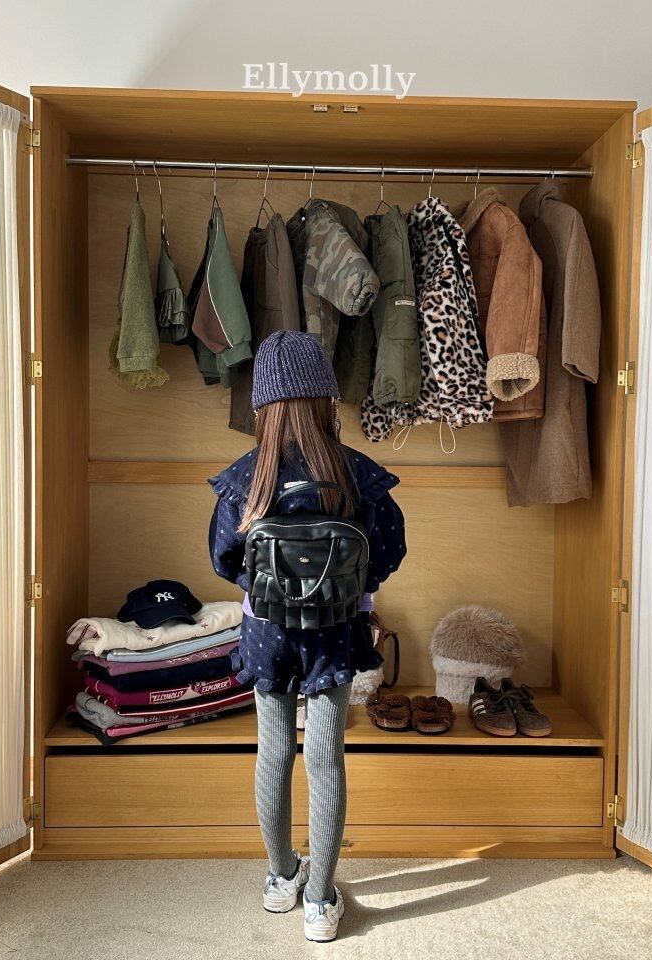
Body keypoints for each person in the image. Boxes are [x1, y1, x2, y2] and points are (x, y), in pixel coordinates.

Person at [209, 330, 407, 942]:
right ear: (326, 398)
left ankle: (280, 878)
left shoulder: (246, 478)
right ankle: (320, 901)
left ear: (263, 405)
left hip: (266, 634)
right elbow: (389, 551)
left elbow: (223, 558)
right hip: (334, 632)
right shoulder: (357, 475)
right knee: (326, 759)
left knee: (273, 754)